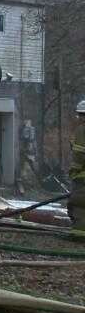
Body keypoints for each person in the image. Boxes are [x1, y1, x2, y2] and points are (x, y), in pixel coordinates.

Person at [70, 99, 85, 238]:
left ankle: (79, 235)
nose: (79, 118)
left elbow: (79, 153)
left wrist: (74, 171)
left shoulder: (82, 129)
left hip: (82, 176)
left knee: (79, 204)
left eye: (80, 115)